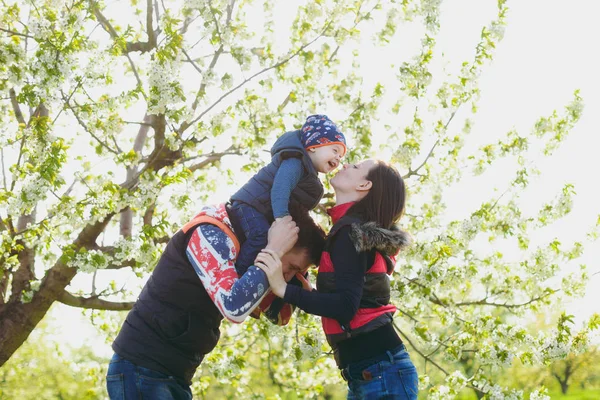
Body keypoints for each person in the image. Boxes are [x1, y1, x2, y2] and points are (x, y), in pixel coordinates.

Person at [107, 203, 325, 400]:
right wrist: (274, 251)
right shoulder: (210, 232)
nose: (287, 276)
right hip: (142, 368)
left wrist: (299, 284)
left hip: (175, 375)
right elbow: (233, 307)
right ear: (282, 242)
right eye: (293, 268)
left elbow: (278, 314)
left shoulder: (250, 257)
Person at [256, 160, 418, 400]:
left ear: (364, 185)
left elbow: (345, 307)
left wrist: (284, 289)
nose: (346, 164)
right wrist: (307, 292)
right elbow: (351, 298)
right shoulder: (351, 230)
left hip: (379, 372)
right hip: (371, 370)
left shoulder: (349, 233)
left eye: (355, 167)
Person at [229, 114, 346, 277]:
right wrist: (282, 218)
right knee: (262, 237)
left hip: (260, 209)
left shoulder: (308, 174)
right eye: (335, 150)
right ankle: (237, 276)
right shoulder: (295, 162)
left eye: (341, 156)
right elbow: (280, 189)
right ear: (314, 146)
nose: (338, 158)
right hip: (250, 204)